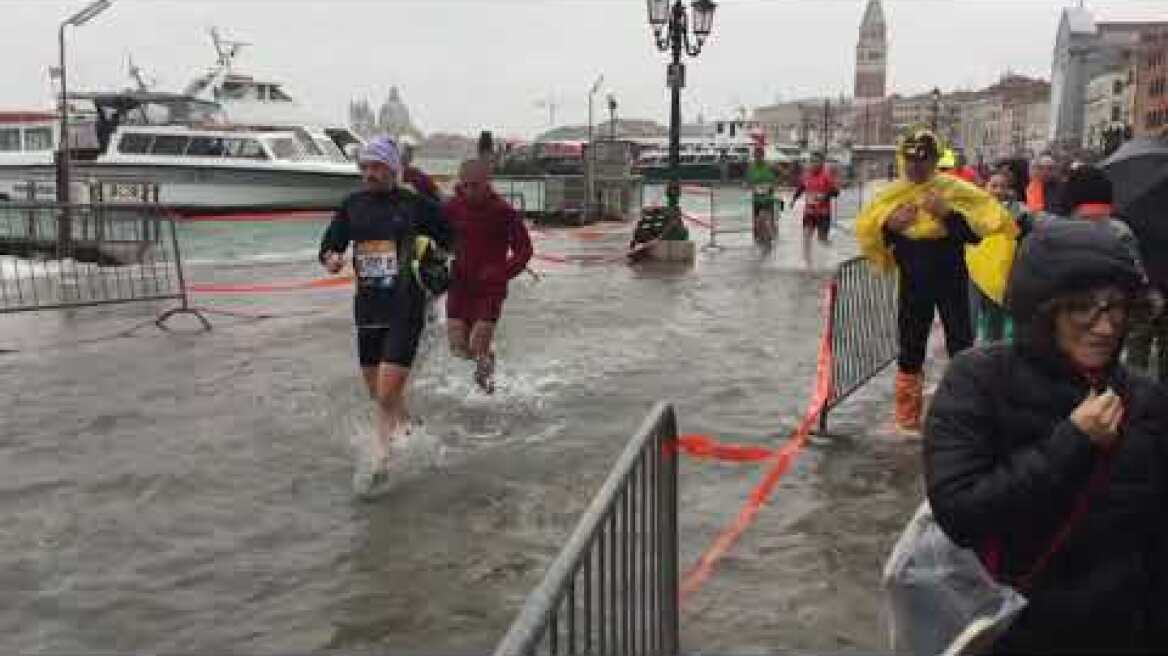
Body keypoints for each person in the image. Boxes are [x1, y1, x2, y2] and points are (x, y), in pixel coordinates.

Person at [924, 219, 1168, 653]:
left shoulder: (1145, 398)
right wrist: (1072, 442)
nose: (1105, 327)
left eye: (1116, 308)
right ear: (1042, 310)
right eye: (1082, 308)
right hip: (1015, 630)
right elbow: (961, 513)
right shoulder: (979, 381)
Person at [854, 129, 1016, 433]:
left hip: (951, 279)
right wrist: (889, 225)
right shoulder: (892, 195)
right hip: (913, 282)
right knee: (910, 347)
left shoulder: (954, 189)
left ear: (934, 160)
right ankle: (906, 420)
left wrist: (947, 214)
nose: (916, 167)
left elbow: (977, 232)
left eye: (923, 160)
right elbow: (870, 232)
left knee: (961, 345)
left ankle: (963, 415)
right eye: (910, 160)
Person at [319, 136, 454, 479]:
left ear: (393, 169)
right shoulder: (352, 205)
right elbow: (330, 245)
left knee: (385, 392)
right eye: (365, 167)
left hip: (405, 307)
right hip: (368, 309)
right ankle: (410, 431)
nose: (370, 173)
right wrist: (331, 258)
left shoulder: (414, 205)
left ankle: (381, 459)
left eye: (377, 167)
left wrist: (437, 265)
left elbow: (452, 237)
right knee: (379, 394)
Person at [444, 158, 533, 394]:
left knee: (478, 344)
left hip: (491, 287)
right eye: (465, 185)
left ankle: (487, 389)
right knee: (457, 346)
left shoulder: (504, 212)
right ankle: (479, 372)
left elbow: (524, 250)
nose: (470, 191)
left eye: (475, 186)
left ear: (487, 183)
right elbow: (435, 234)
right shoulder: (452, 207)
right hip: (460, 284)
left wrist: (503, 272)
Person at [791, 152, 840, 265]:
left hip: (823, 214)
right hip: (809, 212)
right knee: (806, 235)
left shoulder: (826, 176)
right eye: (812, 161)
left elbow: (836, 192)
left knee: (821, 240)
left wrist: (824, 196)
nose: (814, 164)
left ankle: (833, 254)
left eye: (816, 161)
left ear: (822, 163)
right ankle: (807, 262)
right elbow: (801, 188)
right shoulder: (807, 175)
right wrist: (794, 200)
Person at [745, 146, 781, 246]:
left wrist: (775, 184)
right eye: (756, 156)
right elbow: (748, 182)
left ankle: (769, 239)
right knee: (757, 223)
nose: (757, 158)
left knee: (764, 218)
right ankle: (761, 241)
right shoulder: (751, 168)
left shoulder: (770, 166)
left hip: (768, 199)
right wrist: (748, 185)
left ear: (763, 155)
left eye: (759, 155)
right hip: (756, 200)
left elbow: (783, 174)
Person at [399, 136, 442, 202]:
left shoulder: (417, 173)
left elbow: (437, 192)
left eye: (411, 151)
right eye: (407, 150)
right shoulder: (391, 177)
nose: (410, 154)